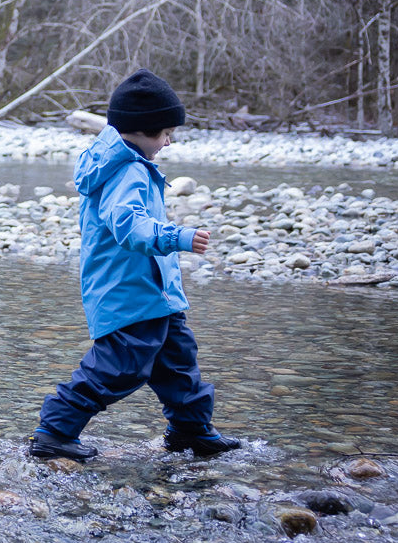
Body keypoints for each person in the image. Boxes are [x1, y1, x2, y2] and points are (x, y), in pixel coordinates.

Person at [30, 69, 242, 462]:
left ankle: (190, 431)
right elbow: (128, 225)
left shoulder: (127, 161)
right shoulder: (127, 170)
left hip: (156, 293)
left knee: (179, 363)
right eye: (164, 132)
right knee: (119, 367)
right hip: (128, 292)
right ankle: (54, 432)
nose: (168, 140)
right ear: (141, 130)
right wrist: (175, 237)